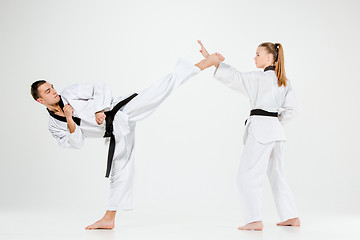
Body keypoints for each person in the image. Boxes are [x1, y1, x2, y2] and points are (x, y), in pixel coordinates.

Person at [30, 53, 224, 230]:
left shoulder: (70, 93)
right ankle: (109, 218)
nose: (54, 92)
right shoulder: (54, 125)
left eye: (52, 87)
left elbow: (100, 87)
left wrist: (99, 109)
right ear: (40, 101)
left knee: (158, 89)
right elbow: (76, 143)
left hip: (121, 110)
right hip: (115, 132)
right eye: (48, 91)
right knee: (119, 171)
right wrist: (70, 119)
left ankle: (204, 64)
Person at [198, 40, 300, 231]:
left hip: (261, 131)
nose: (254, 58)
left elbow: (235, 77)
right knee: (277, 175)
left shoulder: (258, 78)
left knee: (246, 175)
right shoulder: (284, 81)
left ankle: (254, 219)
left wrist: (212, 61)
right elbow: (293, 110)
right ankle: (291, 216)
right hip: (277, 133)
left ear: (269, 57)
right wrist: (276, 121)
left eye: (258, 55)